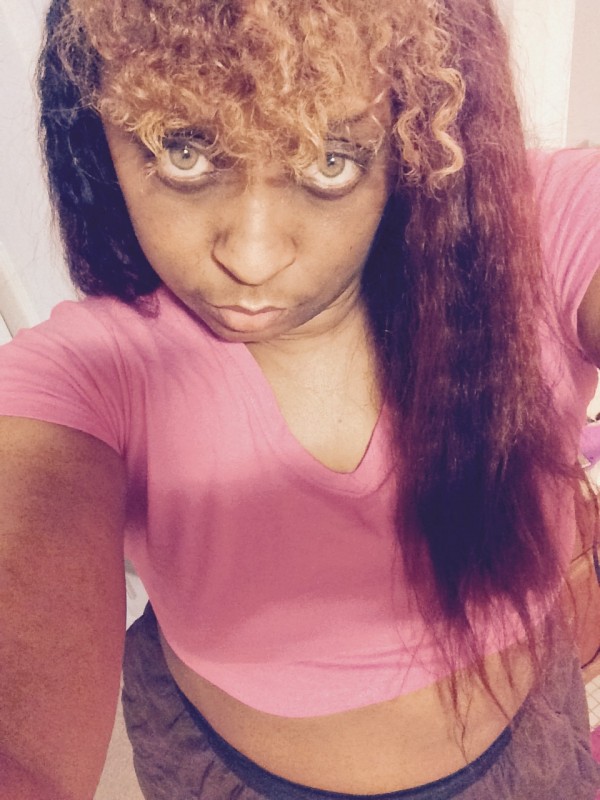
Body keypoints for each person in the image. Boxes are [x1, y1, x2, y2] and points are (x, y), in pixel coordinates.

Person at [1, 0, 600, 797]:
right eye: (183, 150)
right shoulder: (93, 372)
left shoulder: (529, 233)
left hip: (527, 744)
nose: (251, 256)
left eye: (330, 160)